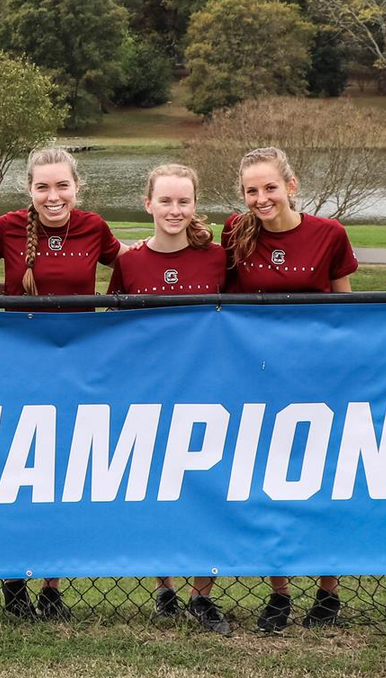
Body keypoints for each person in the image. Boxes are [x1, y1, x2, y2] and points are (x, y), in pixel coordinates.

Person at [0, 146, 121, 621]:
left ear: (77, 187)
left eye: (62, 186)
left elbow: (132, 263)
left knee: (63, 477)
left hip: (78, 368)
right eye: (42, 187)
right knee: (14, 474)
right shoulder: (8, 227)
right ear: (29, 190)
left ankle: (53, 586)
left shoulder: (95, 227)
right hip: (17, 368)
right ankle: (14, 583)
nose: (53, 196)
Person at [223, 145, 357, 632]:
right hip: (256, 379)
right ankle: (278, 593)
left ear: (291, 186)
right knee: (266, 484)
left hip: (317, 378)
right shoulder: (237, 233)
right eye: (251, 190)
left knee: (322, 484)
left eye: (270, 188)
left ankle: (328, 592)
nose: (261, 198)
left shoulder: (329, 234)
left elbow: (346, 310)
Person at [106, 163, 232, 635]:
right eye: (166, 201)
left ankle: (203, 594)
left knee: (209, 487)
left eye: (184, 201)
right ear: (148, 204)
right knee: (158, 489)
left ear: (195, 205)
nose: (174, 210)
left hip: (209, 391)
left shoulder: (218, 259)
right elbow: (113, 329)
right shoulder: (131, 262)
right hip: (149, 394)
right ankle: (165, 587)